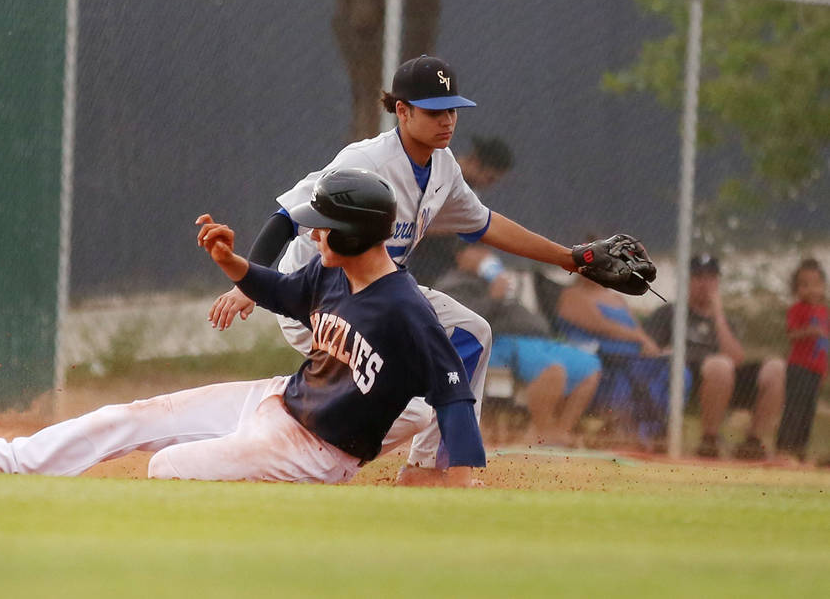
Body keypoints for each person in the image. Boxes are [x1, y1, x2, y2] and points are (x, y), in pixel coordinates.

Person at [0, 169, 485, 486]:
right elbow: (285, 293)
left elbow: (453, 394)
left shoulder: (406, 311)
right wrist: (232, 263)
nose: (314, 236)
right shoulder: (331, 273)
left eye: (323, 228)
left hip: (318, 452)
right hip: (278, 400)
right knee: (128, 417)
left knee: (168, 467)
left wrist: (459, 491)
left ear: (357, 234)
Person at [208, 55, 607, 484]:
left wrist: (571, 259)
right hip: (317, 297)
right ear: (402, 110)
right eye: (434, 111)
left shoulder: (443, 167)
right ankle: (272, 435)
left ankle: (428, 470)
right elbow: (286, 216)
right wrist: (249, 283)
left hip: (380, 298)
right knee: (402, 401)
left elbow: (486, 225)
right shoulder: (365, 161)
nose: (447, 121)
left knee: (471, 333)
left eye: (452, 110)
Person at [434, 243, 601, 446]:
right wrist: (493, 297)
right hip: (505, 341)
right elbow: (459, 323)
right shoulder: (453, 283)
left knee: (590, 366)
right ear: (460, 256)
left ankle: (559, 432)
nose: (484, 255)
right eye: (476, 250)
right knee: (552, 370)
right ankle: (540, 432)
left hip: (539, 340)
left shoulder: (494, 279)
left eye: (486, 250)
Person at [644, 254, 786, 460]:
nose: (705, 283)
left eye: (711, 277)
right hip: (686, 380)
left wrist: (717, 314)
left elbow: (736, 358)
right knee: (719, 365)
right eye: (698, 277)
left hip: (726, 381)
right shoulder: (670, 313)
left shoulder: (727, 321)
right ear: (688, 280)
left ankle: (752, 444)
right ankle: (708, 441)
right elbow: (647, 350)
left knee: (775, 368)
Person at [555, 271, 690, 448]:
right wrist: (639, 338)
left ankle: (652, 432)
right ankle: (625, 434)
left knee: (679, 373)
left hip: (635, 361)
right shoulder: (572, 296)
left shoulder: (617, 299)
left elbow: (639, 331)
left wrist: (650, 347)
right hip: (605, 363)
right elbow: (601, 325)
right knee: (625, 383)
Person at [408, 135, 514, 287]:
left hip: (443, 264)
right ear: (475, 163)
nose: (490, 185)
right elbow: (413, 223)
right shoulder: (440, 176)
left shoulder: (469, 189)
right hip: (417, 261)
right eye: (490, 178)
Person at [775, 258, 829, 462]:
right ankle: (784, 448)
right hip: (799, 367)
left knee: (808, 410)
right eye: (804, 285)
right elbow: (792, 334)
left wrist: (824, 370)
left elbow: (824, 346)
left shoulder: (824, 312)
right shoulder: (798, 309)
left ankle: (799, 450)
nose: (811, 289)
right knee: (795, 408)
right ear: (796, 289)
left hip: (816, 370)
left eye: (816, 284)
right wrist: (809, 331)